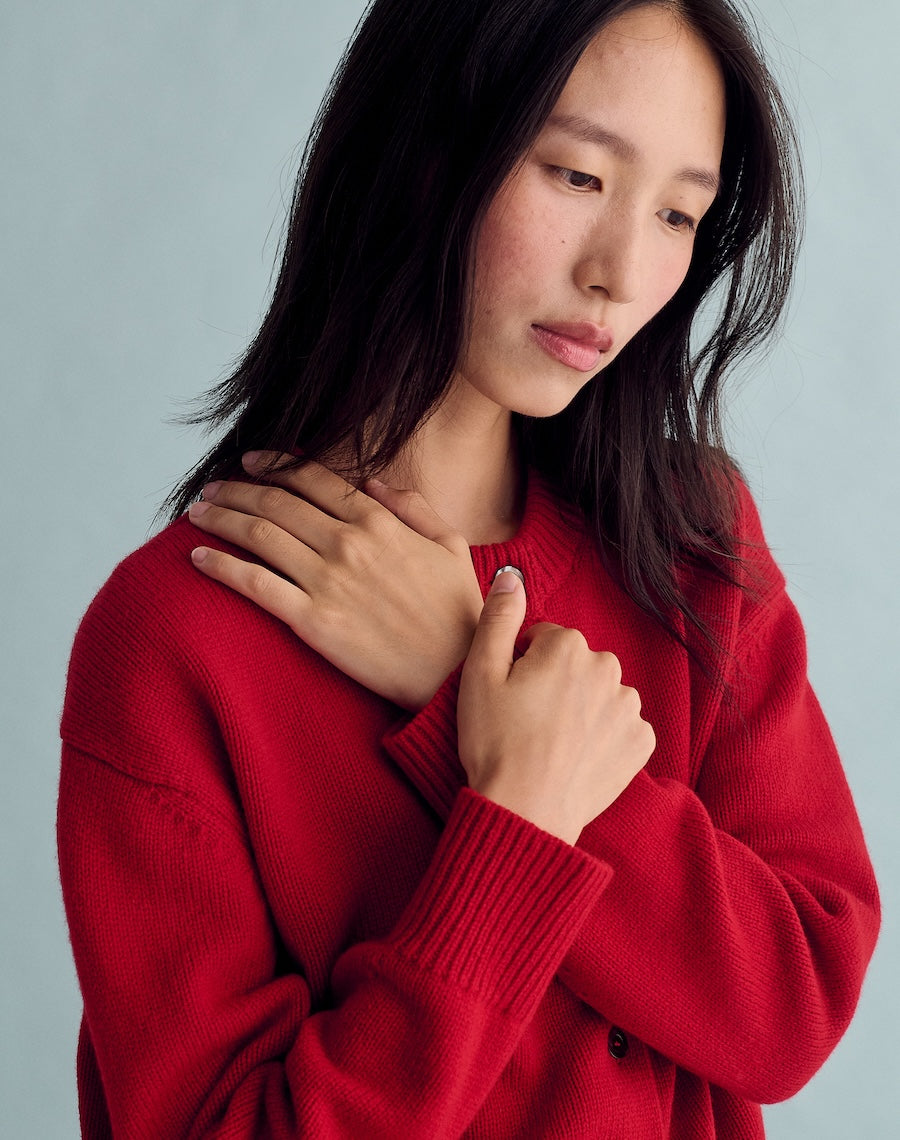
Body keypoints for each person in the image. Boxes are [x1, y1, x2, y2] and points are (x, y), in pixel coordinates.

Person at [57, 0, 880, 1136]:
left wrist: (460, 682)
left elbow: (791, 1007)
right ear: (425, 145)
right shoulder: (176, 635)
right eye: (578, 176)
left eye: (680, 212)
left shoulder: (691, 542)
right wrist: (513, 823)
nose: (623, 271)